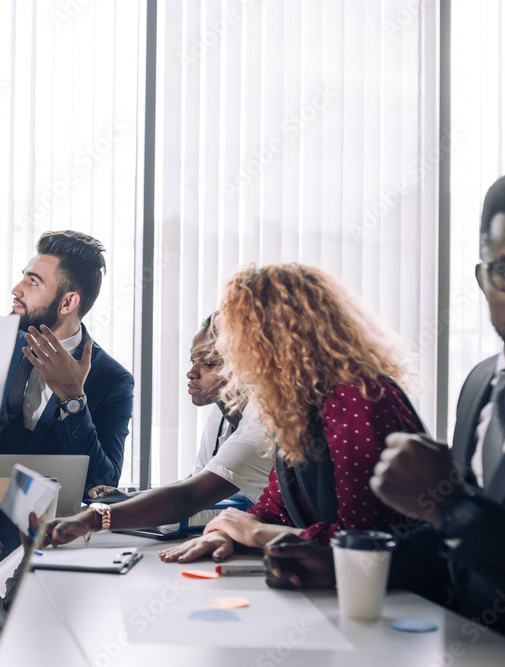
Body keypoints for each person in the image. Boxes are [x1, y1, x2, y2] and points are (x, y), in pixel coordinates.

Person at [265, 176, 505, 634]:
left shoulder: (354, 397)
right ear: (481, 278)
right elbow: (447, 548)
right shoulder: (479, 386)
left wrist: (452, 506)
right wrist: (347, 569)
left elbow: (458, 521)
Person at [161, 263, 425, 564]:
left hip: (397, 593)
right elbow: (279, 506)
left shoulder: (355, 398)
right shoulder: (297, 405)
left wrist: (255, 534)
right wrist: (226, 531)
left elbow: (360, 539)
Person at [42, 312, 272, 545]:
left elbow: (187, 498)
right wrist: (127, 498)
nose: (191, 373)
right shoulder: (221, 415)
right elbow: (194, 481)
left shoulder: (263, 424)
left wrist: (93, 519)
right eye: (193, 361)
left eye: (209, 364)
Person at [0, 230, 133, 492]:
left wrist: (73, 398)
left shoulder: (112, 380)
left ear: (67, 302)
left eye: (32, 282)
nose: (16, 289)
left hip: (57, 525)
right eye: (23, 277)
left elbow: (103, 483)